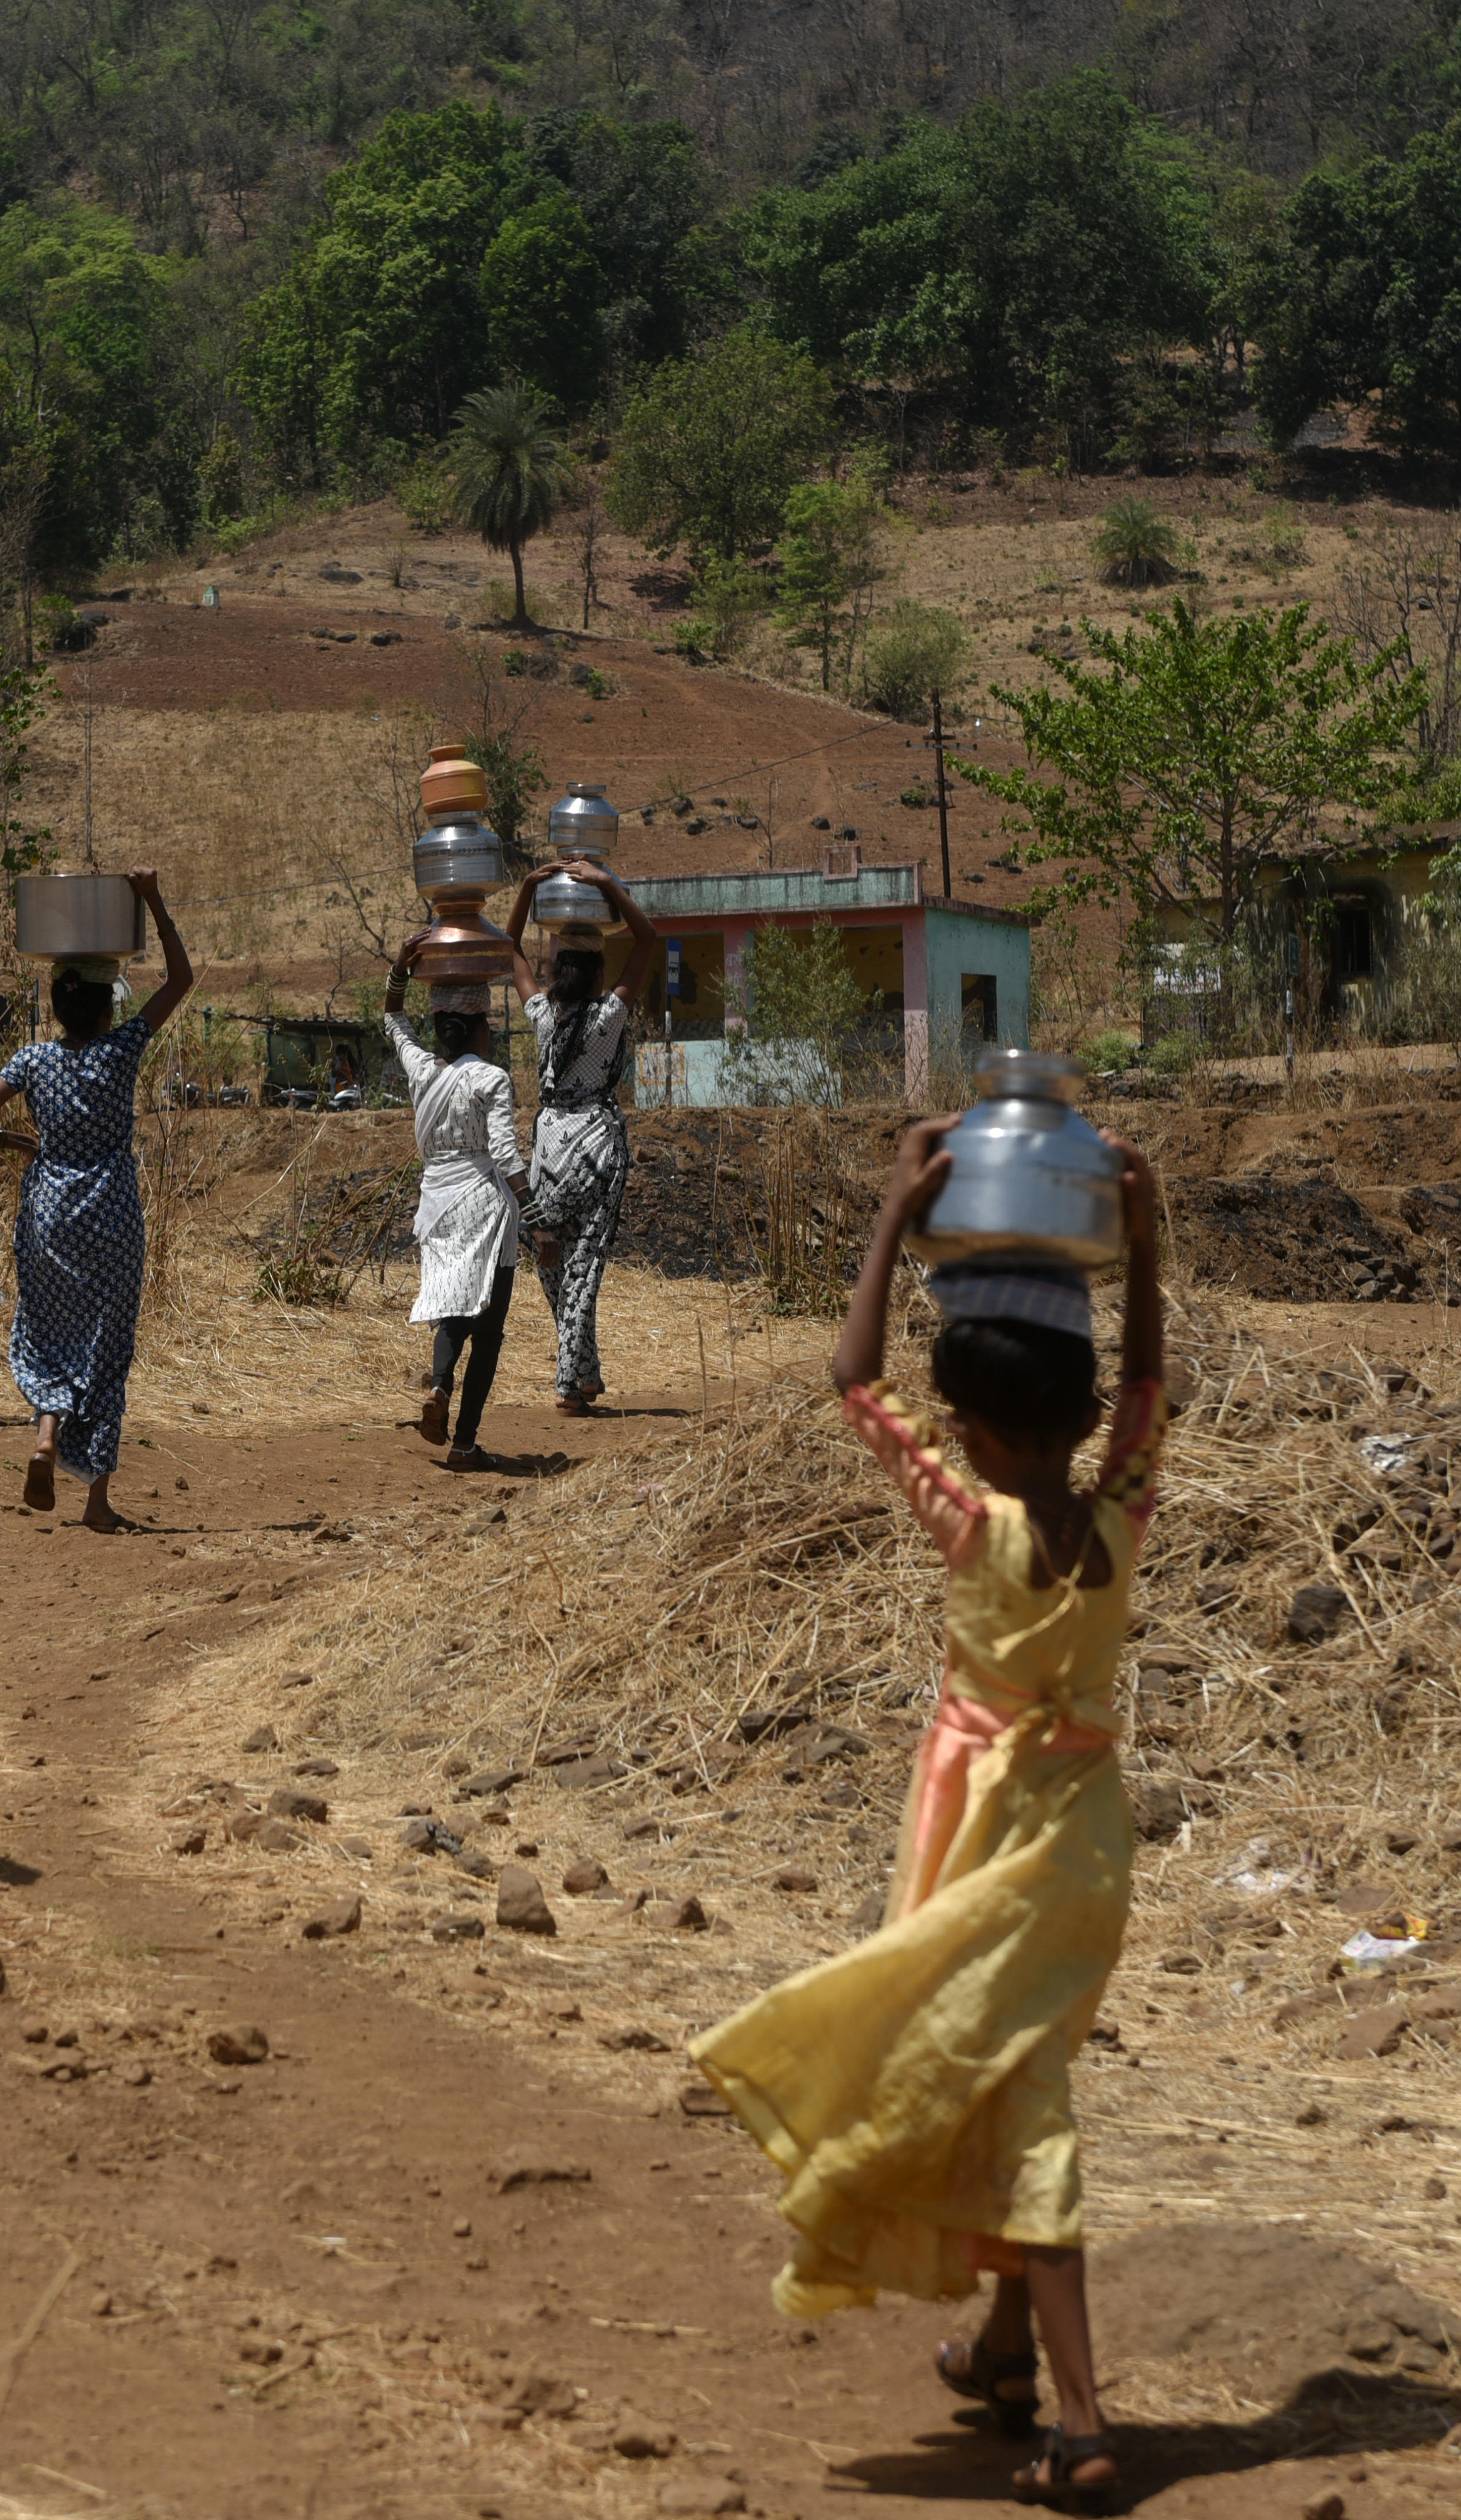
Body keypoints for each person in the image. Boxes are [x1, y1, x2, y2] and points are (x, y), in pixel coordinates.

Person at [689, 1114, 1164, 2516]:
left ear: (971, 1426)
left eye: (954, 1414)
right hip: (1081, 1847)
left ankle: (1081, 2426)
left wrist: (896, 1214)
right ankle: (1007, 2357)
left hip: (978, 1841)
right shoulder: (1120, 1509)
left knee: (1014, 2103)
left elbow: (850, 1383)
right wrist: (1142, 1236)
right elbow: (1147, 1378)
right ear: (1080, 1422)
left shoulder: (971, 1526)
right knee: (1002, 2066)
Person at [0, 869, 194, 1530]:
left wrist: (19, 1143)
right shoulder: (122, 1050)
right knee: (106, 1348)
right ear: (107, 1005)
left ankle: (45, 1435)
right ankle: (97, 1502)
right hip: (111, 1212)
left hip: (49, 1213)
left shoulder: (33, 1061)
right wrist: (152, 900)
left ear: (58, 1004)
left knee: (53, 1331)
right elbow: (180, 981)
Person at [506, 857, 664, 1417]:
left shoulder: (543, 1017)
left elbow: (512, 949)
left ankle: (585, 1372)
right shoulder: (607, 1018)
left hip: (548, 1145)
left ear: (557, 973)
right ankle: (569, 1386)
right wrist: (608, 887)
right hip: (596, 1141)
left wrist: (526, 888)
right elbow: (647, 941)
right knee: (586, 1261)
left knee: (553, 1258)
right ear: (598, 974)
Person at [382, 936, 530, 1470]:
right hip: (486, 1207)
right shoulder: (491, 1078)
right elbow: (507, 1155)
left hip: (437, 1207)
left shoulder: (424, 1073)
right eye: (488, 1025)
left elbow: (393, 1020)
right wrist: (537, 1220)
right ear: (476, 1028)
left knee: (451, 1306)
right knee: (488, 1330)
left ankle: (439, 1386)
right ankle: (465, 1444)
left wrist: (399, 968)